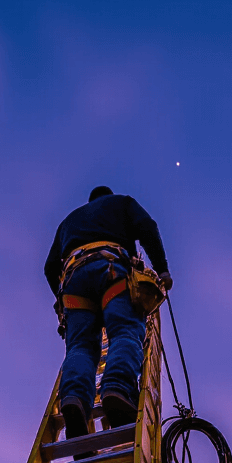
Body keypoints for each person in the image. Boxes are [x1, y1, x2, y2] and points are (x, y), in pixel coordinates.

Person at [44, 186, 173, 436]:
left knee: (80, 346)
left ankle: (74, 401)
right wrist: (163, 270)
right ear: (108, 195)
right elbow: (147, 226)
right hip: (112, 272)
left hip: (73, 283)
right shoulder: (122, 202)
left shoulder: (68, 221)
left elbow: (50, 268)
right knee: (125, 331)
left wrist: (61, 300)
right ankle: (117, 388)